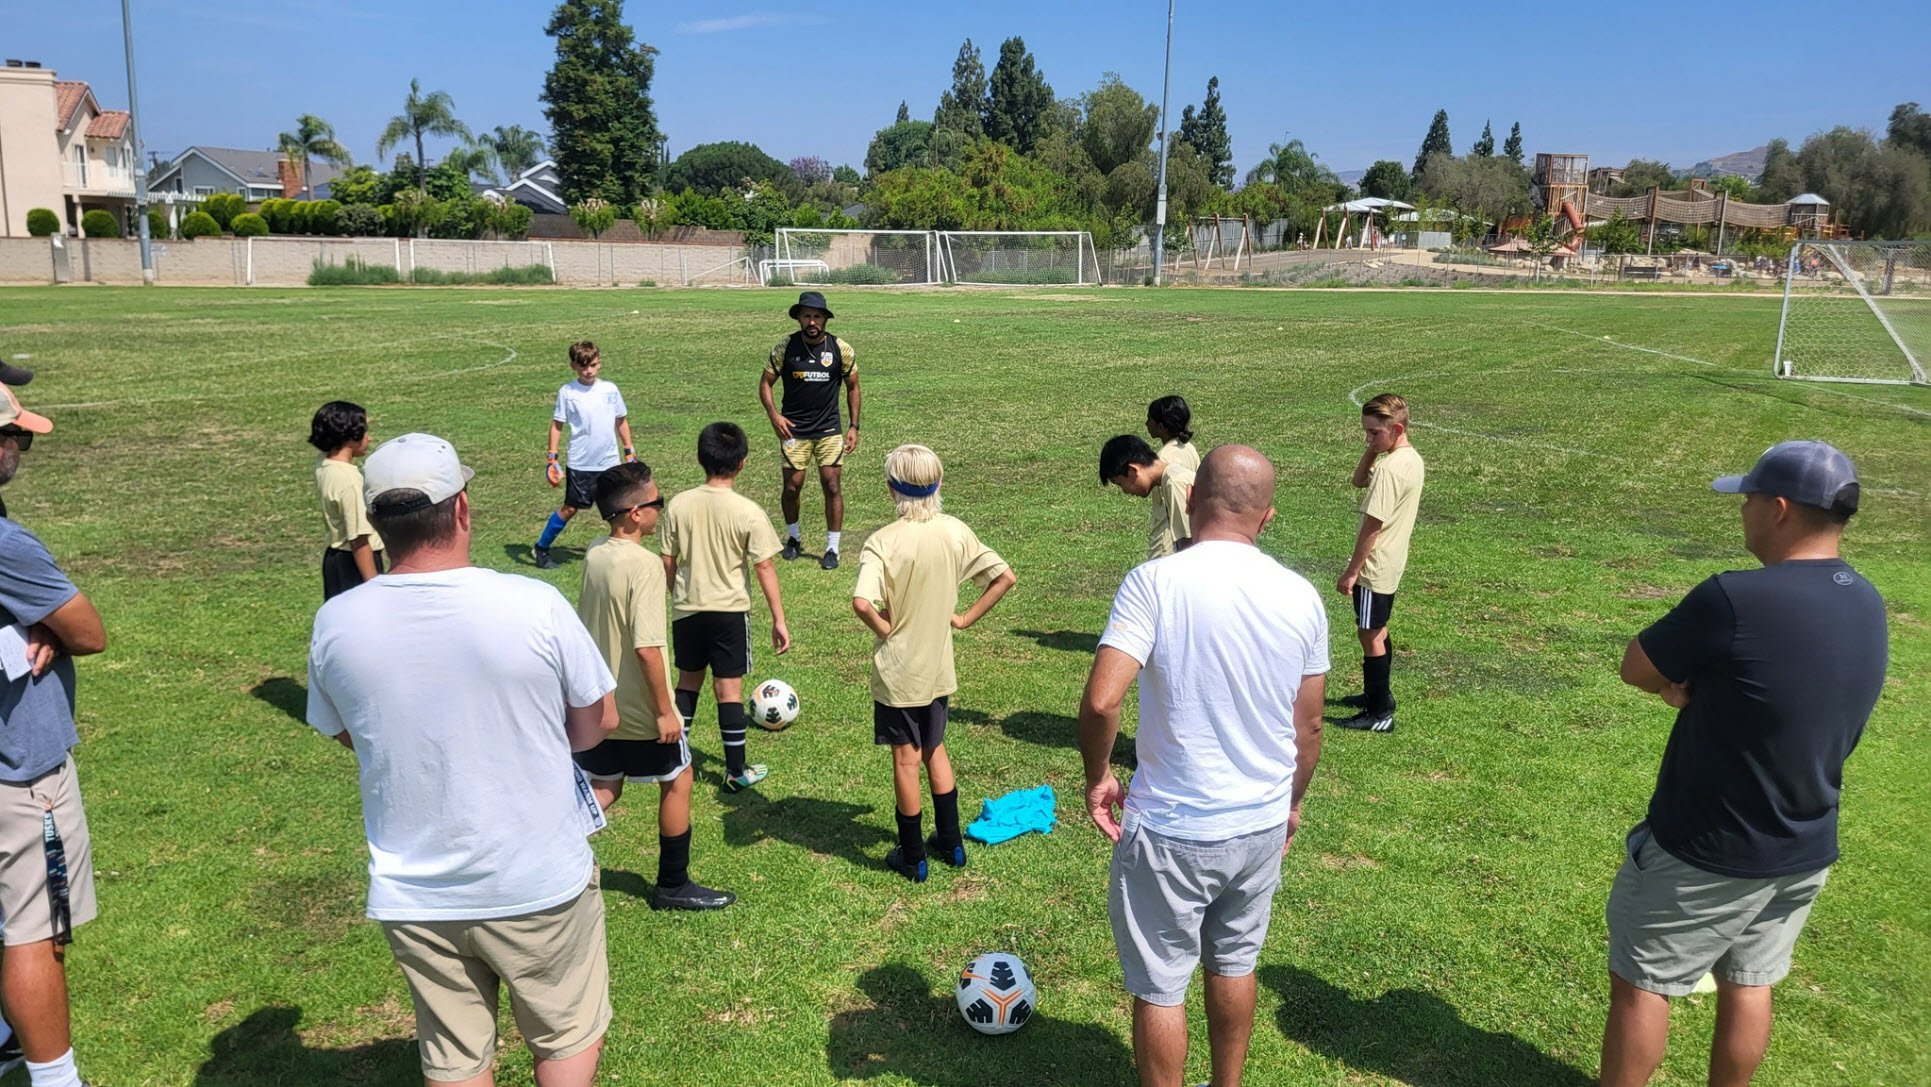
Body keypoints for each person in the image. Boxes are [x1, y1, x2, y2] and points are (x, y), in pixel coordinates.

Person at [306, 432, 620, 1087]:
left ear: (377, 522)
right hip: (537, 877)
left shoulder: (336, 622)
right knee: (563, 1036)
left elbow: (345, 730)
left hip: (413, 887)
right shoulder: (534, 603)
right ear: (463, 509)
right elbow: (596, 724)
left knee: (454, 1054)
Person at [1600, 440, 1886, 1087]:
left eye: (1749, 500)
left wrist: (1682, 686)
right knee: (1750, 980)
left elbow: (1637, 666)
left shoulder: (1733, 598)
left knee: (1642, 982)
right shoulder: (1865, 600)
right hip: (1803, 844)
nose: (1744, 513)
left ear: (1778, 508)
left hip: (1708, 844)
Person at [1078, 446, 1327, 1087]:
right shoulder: (1301, 597)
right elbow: (1310, 726)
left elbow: (1104, 699)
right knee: (1234, 964)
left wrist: (1099, 776)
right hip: (1259, 822)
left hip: (1172, 826)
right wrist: (1291, 803)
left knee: (1162, 985)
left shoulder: (1153, 582)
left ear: (1191, 500)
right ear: (1266, 518)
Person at [0, 382, 106, 1087]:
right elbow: (89, 631)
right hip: (19, 773)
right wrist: (50, 631)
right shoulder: (8, 545)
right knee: (34, 927)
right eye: (17, 437)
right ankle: (55, 1078)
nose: (20, 450)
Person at [851, 445, 1017, 883]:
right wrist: (963, 618)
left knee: (906, 761)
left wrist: (887, 628)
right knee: (935, 749)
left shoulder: (882, 542)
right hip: (938, 668)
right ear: (939, 484)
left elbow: (861, 601)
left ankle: (912, 856)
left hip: (898, 674)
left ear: (891, 490)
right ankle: (951, 843)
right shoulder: (955, 531)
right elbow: (1004, 576)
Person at [574, 462, 734, 911]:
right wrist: (666, 711)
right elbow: (647, 648)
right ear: (632, 514)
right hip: (640, 708)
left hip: (599, 704)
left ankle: (541, 852)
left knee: (605, 783)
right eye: (655, 504)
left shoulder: (593, 554)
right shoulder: (643, 566)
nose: (659, 510)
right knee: (679, 777)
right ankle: (672, 884)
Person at [660, 422, 791, 791]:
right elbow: (764, 565)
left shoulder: (679, 505)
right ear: (743, 463)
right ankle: (735, 771)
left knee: (687, 684)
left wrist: (670, 597)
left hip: (687, 609)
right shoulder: (747, 511)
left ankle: (674, 760)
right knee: (728, 691)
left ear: (700, 458)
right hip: (730, 612)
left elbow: (667, 560)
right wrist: (779, 619)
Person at [1334, 393, 1425, 734]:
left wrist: (1352, 571)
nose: (1368, 439)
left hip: (1374, 566)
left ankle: (1379, 711)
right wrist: (1373, 449)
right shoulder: (1410, 459)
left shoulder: (1389, 470)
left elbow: (1373, 525)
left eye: (1374, 433)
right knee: (1377, 628)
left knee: (1369, 633)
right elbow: (1359, 480)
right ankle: (1378, 695)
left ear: (1396, 428)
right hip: (1392, 562)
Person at [759, 291, 861, 570]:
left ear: (825, 319)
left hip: (829, 429)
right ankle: (793, 538)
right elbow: (766, 382)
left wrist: (853, 426)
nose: (812, 321)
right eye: (806, 316)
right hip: (794, 431)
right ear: (799, 318)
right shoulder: (784, 348)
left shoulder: (841, 349)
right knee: (792, 487)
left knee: (832, 485)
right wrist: (774, 416)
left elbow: (853, 387)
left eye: (817, 316)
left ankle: (832, 548)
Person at [535, 341, 636, 570]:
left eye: (592, 365)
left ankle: (619, 553)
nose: (588, 371)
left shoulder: (610, 390)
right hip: (581, 463)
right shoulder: (568, 393)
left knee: (619, 508)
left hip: (609, 462)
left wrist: (629, 450)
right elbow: (557, 425)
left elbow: (620, 420)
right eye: (583, 367)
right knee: (571, 508)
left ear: (599, 363)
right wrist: (552, 459)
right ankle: (541, 548)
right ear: (573, 366)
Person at [309, 401, 385, 600]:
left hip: (335, 561)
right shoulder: (350, 482)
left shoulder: (325, 464)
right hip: (356, 564)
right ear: (351, 437)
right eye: (365, 431)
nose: (369, 437)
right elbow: (358, 539)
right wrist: (373, 586)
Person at [1100, 435, 1195, 561]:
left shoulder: (1174, 483)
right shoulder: (1169, 480)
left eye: (1120, 484)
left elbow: (1189, 547)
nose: (1124, 491)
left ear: (1132, 470)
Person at [1145, 396, 1200, 472]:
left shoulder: (1163, 458)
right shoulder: (1189, 448)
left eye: (1149, 419)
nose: (1146, 423)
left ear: (1161, 426)